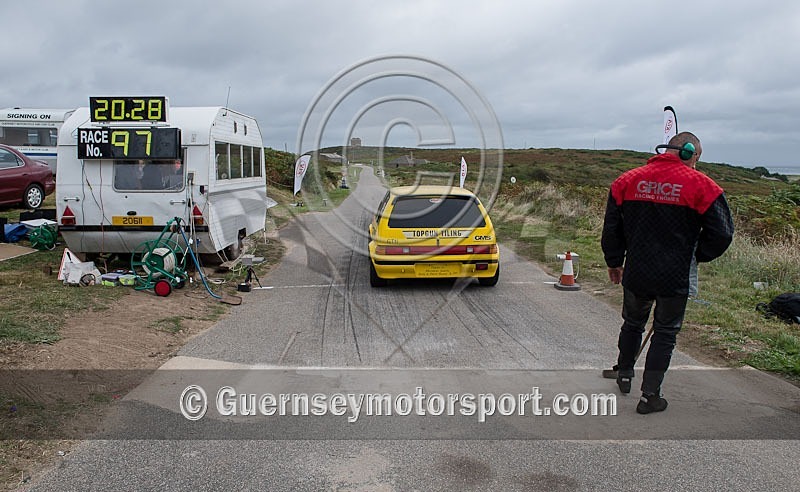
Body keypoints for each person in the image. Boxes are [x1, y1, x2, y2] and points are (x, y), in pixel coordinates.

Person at [601, 132, 734, 414]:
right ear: (689, 153)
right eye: (697, 158)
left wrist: (614, 261)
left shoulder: (626, 181)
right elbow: (723, 233)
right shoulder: (704, 187)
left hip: (637, 271)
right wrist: (698, 255)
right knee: (665, 333)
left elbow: (612, 228)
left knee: (632, 323)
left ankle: (624, 372)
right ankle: (650, 396)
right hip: (675, 275)